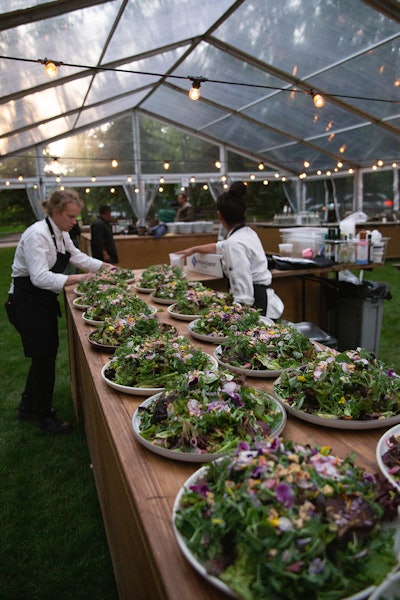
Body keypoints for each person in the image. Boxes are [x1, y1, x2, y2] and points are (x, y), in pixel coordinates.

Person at [5, 189, 113, 434]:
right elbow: (40, 277)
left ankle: (27, 405)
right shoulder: (37, 235)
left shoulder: (61, 233)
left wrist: (105, 267)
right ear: (55, 212)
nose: (75, 222)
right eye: (71, 217)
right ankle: (45, 417)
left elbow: (77, 256)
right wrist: (82, 278)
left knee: (43, 356)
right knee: (44, 358)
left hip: (40, 302)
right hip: (26, 303)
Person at [176, 182, 283, 318]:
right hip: (264, 298)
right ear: (243, 212)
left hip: (255, 306)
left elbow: (243, 286)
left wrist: (237, 317)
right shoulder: (248, 233)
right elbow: (220, 246)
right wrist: (193, 250)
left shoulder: (234, 243)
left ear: (219, 215)